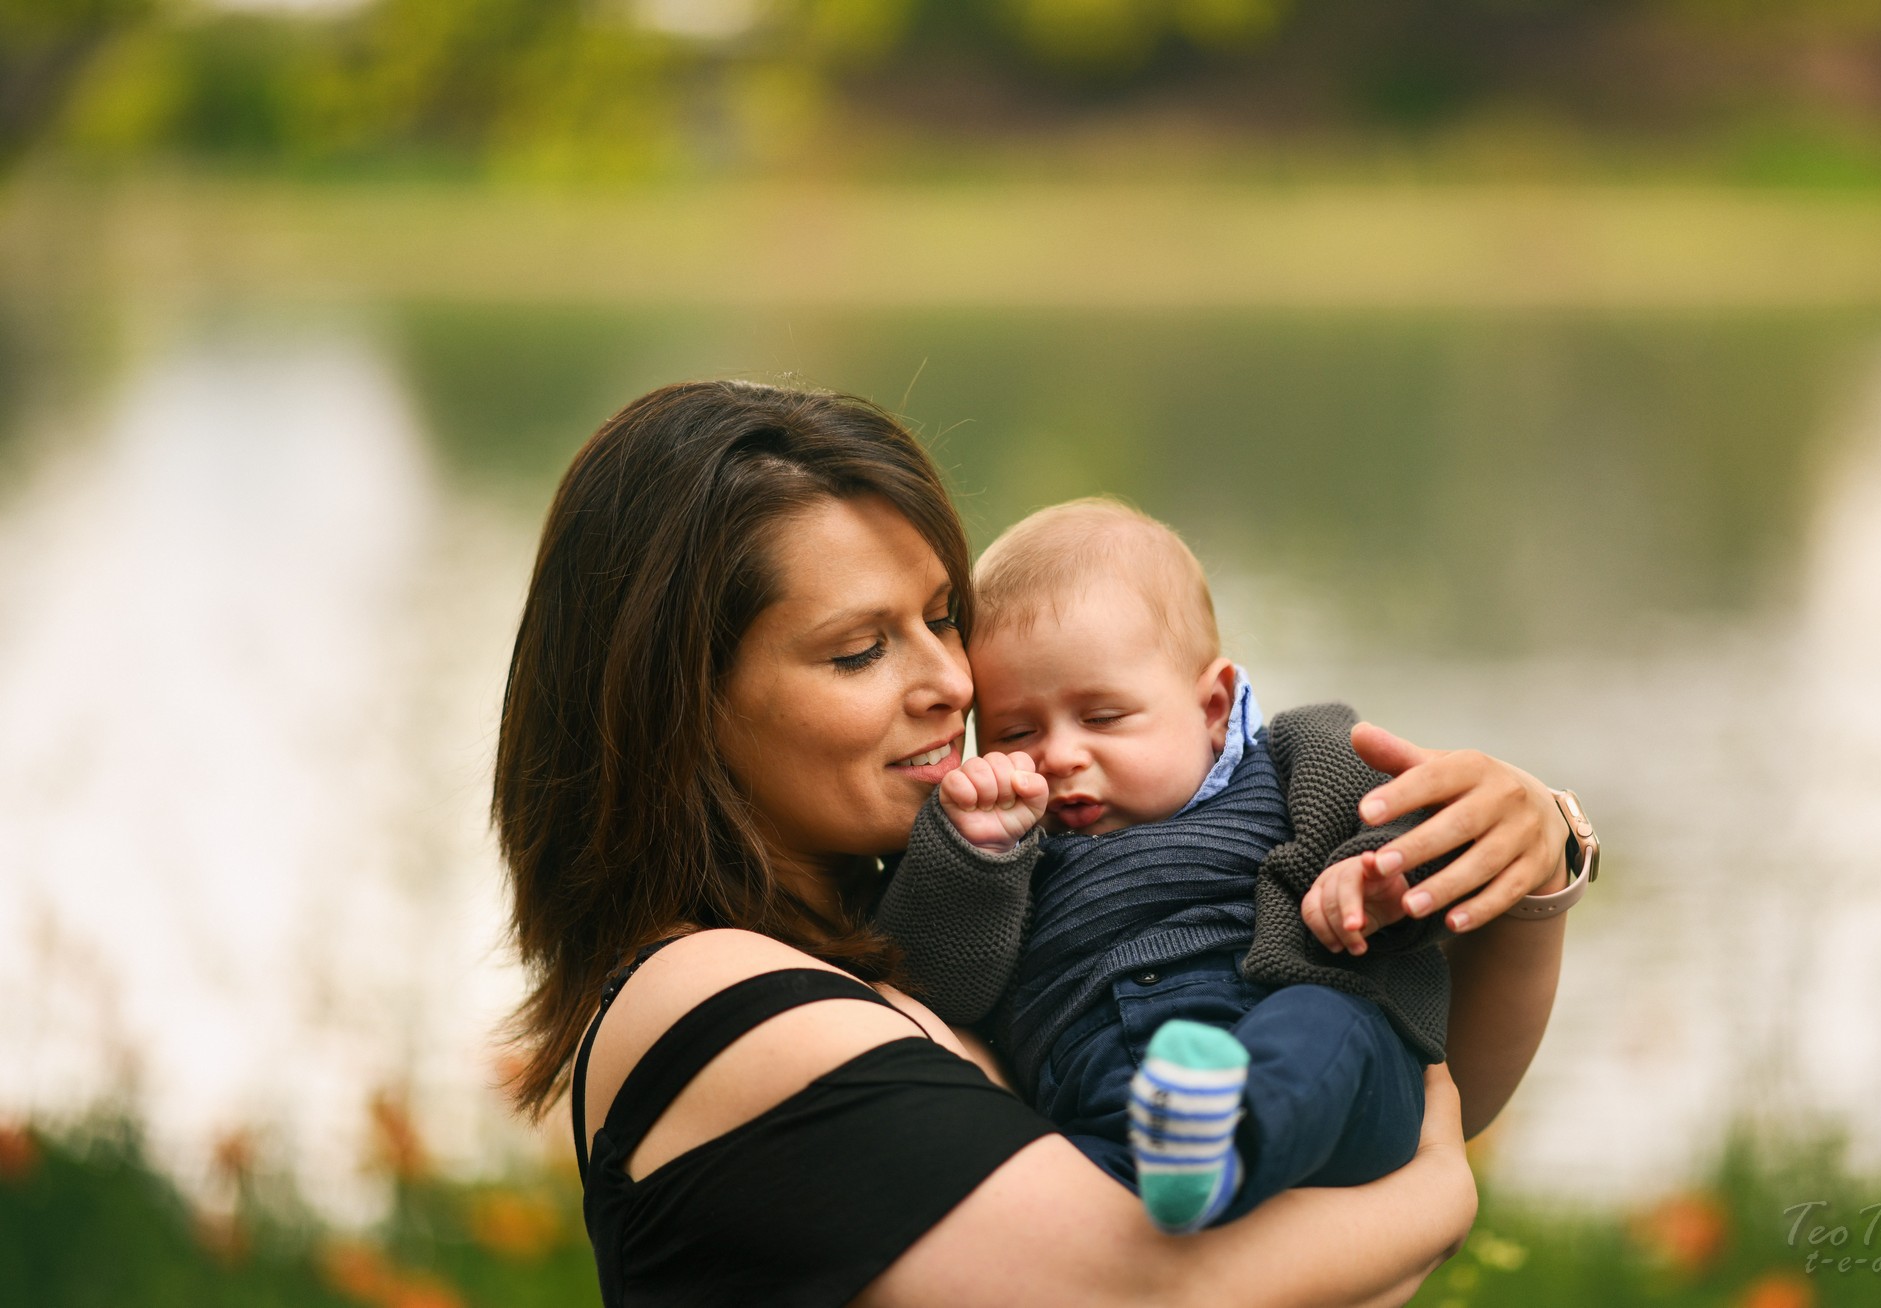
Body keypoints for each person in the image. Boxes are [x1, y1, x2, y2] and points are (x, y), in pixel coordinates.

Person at [493, 380, 1577, 1308]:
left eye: (941, 617)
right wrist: (1440, 1195)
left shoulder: (885, 941)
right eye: (860, 650)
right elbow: (1149, 1291)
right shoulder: (713, 996)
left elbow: (1394, 1103)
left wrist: (1537, 862)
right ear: (678, 708)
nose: (951, 684)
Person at [875, 498, 1455, 1234]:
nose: (1060, 756)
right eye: (1015, 732)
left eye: (1102, 717)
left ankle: (1229, 1144)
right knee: (1041, 1212)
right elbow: (935, 987)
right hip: (1111, 1098)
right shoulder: (1011, 844)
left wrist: (1374, 872)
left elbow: (1423, 817)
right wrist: (978, 855)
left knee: (1322, 1023)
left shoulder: (1299, 757)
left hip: (1312, 1048)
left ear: (1212, 706)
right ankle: (1184, 1176)